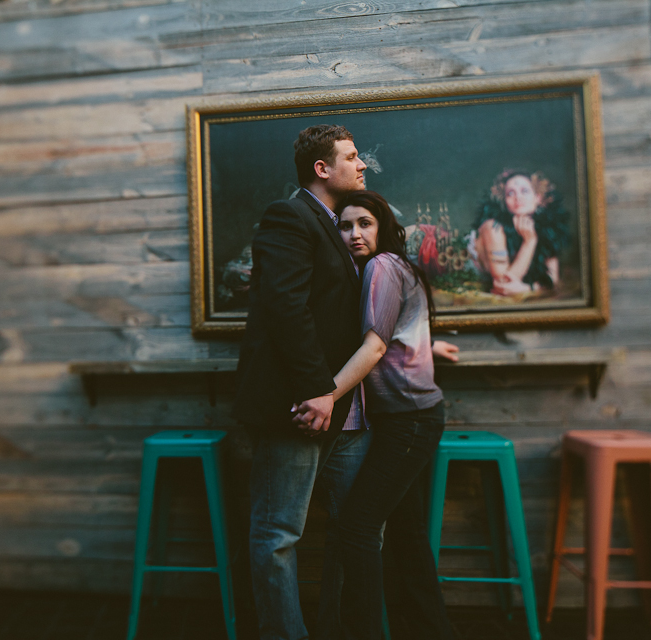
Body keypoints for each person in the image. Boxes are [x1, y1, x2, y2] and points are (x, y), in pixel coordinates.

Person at [233, 124, 370, 640]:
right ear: (322, 168)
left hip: (340, 409)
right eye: (352, 157)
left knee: (354, 530)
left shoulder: (336, 224)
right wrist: (318, 390)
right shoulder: (289, 216)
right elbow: (285, 307)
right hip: (298, 407)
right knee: (278, 535)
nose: (362, 165)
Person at [298, 189, 455, 640]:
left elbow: (375, 346)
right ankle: (435, 630)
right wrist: (428, 348)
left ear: (382, 226)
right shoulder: (398, 267)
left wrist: (326, 396)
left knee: (358, 525)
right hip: (414, 417)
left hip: (408, 422)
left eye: (364, 224)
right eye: (344, 226)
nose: (353, 234)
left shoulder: (382, 266)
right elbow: (403, 336)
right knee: (406, 533)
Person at [469, 169, 571, 296]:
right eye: (510, 193)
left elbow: (552, 279)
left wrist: (529, 288)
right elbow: (504, 285)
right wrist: (529, 242)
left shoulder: (546, 229)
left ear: (538, 198)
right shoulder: (493, 227)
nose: (518, 197)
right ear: (505, 202)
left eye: (525, 191)